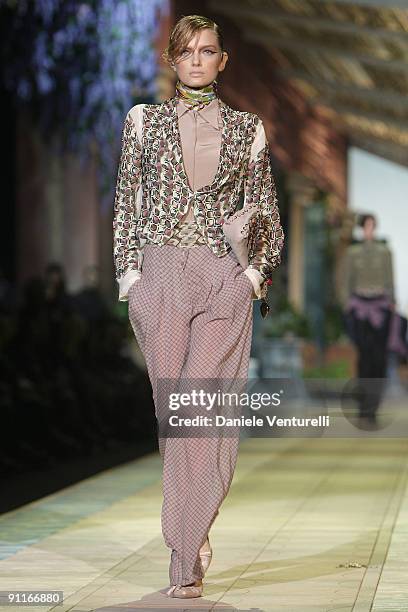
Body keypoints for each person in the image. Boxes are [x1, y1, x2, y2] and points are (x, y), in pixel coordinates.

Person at [112, 14, 284, 599]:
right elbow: (126, 203)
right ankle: (191, 529)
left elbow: (267, 213)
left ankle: (186, 551)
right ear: (171, 60)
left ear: (222, 61)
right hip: (159, 273)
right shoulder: (142, 122)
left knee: (203, 413)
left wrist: (254, 274)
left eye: (206, 51)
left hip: (221, 277)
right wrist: (130, 275)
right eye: (185, 51)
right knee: (175, 418)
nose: (195, 60)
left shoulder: (247, 129)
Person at [339, 213, 395, 428]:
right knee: (364, 358)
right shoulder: (353, 253)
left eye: (372, 226)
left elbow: (390, 281)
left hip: (381, 309)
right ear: (362, 229)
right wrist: (347, 306)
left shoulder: (385, 252)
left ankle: (373, 409)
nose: (369, 230)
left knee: (379, 360)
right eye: (366, 226)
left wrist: (391, 302)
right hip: (360, 309)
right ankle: (363, 408)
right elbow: (345, 282)